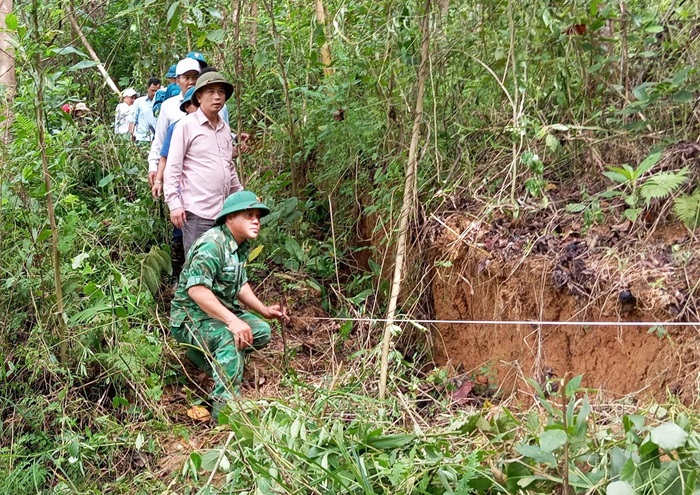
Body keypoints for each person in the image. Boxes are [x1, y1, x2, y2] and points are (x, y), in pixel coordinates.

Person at [170, 190, 288, 418]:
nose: (256, 221)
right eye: (248, 215)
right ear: (229, 218)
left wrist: (263, 310)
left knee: (260, 331)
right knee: (230, 339)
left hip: (218, 313)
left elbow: (240, 284)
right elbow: (196, 290)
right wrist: (233, 321)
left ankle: (212, 363)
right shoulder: (212, 245)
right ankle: (226, 414)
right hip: (191, 317)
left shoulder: (238, 245)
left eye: (257, 216)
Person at [163, 71, 243, 253]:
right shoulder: (186, 126)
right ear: (199, 97)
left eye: (221, 92)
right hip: (197, 212)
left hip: (223, 212)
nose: (217, 97)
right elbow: (173, 166)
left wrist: (241, 197)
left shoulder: (224, 129)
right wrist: (174, 204)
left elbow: (228, 168)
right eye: (211, 92)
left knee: (222, 265)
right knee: (198, 266)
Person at [129, 77, 161, 144]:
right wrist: (131, 136)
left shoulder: (162, 103)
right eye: (152, 91)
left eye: (157, 91)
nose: (154, 93)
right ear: (148, 89)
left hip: (157, 139)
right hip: (142, 138)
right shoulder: (139, 102)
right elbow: (133, 120)